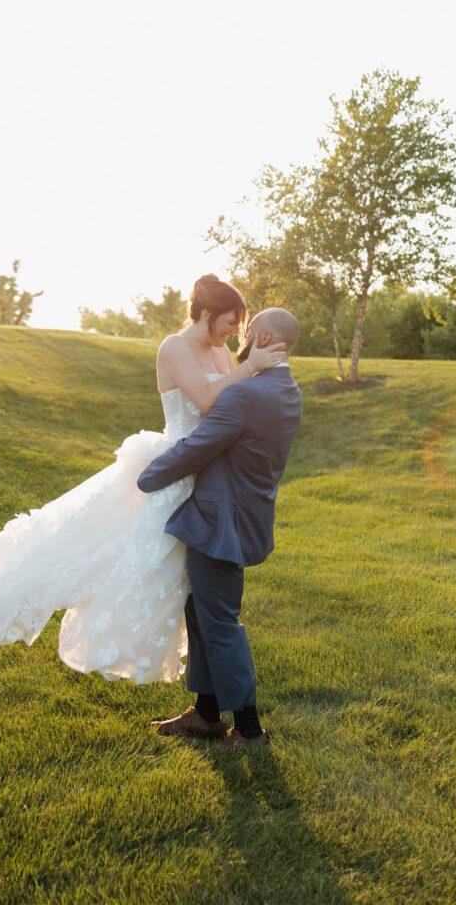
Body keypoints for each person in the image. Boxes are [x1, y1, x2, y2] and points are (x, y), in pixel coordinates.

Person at [0, 275, 285, 684]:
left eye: (239, 324)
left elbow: (234, 401)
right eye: (230, 322)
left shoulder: (222, 351)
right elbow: (208, 400)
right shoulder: (174, 347)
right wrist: (249, 367)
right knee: (115, 555)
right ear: (206, 314)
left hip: (206, 475)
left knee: (185, 587)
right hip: (174, 468)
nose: (233, 332)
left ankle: (206, 706)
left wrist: (253, 365)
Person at [137, 308, 302, 750]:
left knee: (220, 621)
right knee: (201, 609)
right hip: (242, 512)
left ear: (263, 337)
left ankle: (248, 730)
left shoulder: (246, 395)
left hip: (219, 520)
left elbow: (197, 448)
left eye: (248, 330)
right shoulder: (287, 388)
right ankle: (207, 714)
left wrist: (146, 477)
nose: (242, 337)